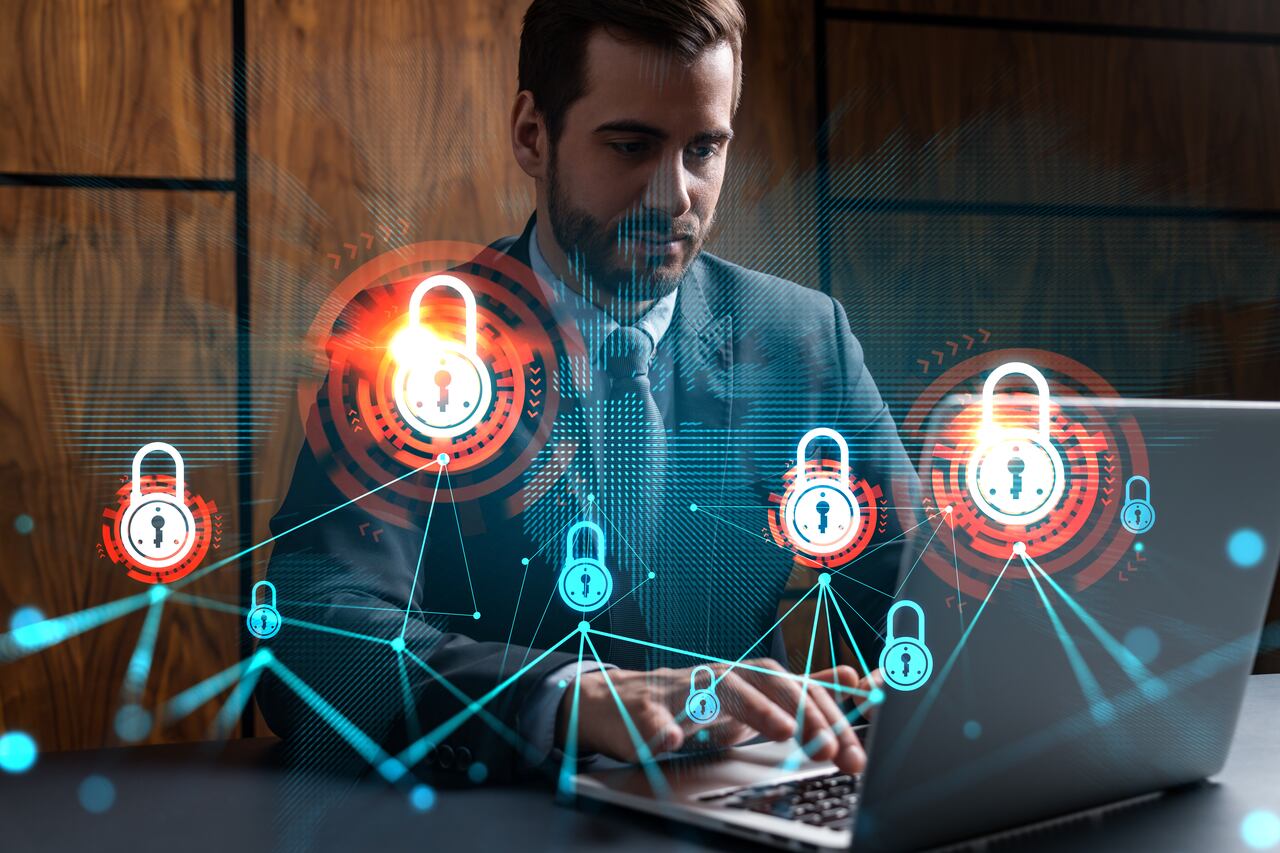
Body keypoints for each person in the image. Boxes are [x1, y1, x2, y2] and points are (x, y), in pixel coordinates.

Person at [257, 0, 916, 785]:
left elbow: (925, 593)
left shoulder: (803, 337)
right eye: (632, 146)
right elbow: (313, 636)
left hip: (751, 810)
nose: (674, 196)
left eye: (704, 148)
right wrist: (564, 697)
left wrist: (891, 690)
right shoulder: (403, 348)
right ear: (532, 134)